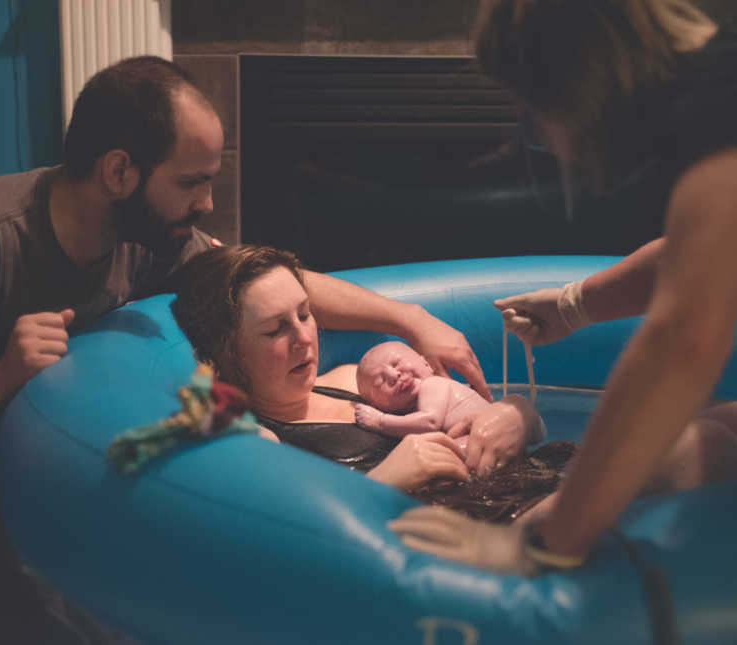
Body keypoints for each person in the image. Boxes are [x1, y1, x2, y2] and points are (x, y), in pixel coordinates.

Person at [0, 56, 491, 641]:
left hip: (22, 497)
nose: (207, 204)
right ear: (119, 172)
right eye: (192, 182)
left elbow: (265, 283)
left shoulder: (149, 236)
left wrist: (409, 317)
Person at [390, 0, 737, 574]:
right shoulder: (716, 69)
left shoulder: (718, 103)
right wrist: (574, 307)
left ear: (575, 75)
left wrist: (543, 541)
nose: (531, 125)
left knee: (697, 449)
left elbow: (682, 344)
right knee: (713, 432)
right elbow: (696, 251)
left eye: (529, 103)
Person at [171, 245, 578, 521]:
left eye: (305, 314)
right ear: (227, 351)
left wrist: (517, 414)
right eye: (276, 329)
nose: (304, 337)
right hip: (474, 532)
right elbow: (288, 538)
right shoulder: (260, 439)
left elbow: (460, 405)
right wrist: (386, 479)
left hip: (526, 484)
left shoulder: (353, 379)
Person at [354, 340, 545, 476]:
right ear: (378, 404)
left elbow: (430, 421)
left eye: (396, 362)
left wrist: (380, 421)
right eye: (381, 382)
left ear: (426, 363)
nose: (394, 374)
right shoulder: (409, 415)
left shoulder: (433, 384)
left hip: (477, 445)